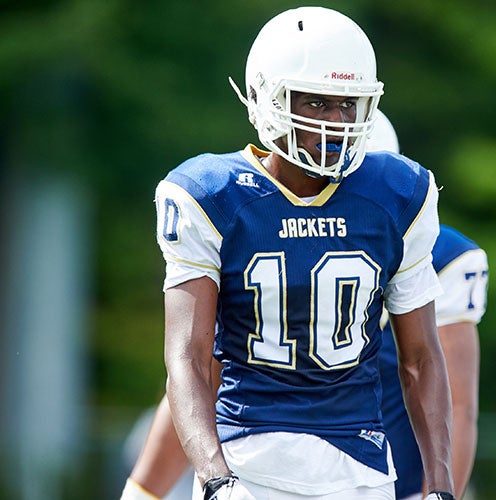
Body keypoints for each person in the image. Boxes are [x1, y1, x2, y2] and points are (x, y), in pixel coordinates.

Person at [129, 7, 456, 500]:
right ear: (266, 99)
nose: (336, 122)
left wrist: (441, 487)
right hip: (248, 461)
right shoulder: (212, 194)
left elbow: (420, 359)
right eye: (316, 103)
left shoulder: (397, 193)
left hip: (360, 467)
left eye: (348, 104)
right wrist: (217, 478)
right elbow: (189, 359)